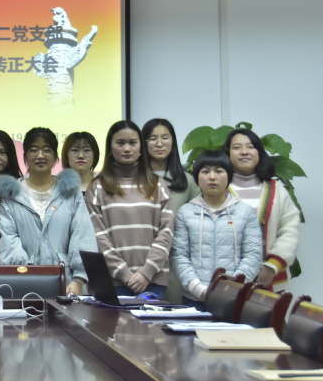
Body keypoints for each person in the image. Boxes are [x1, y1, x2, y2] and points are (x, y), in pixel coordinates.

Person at [0, 127, 97, 295]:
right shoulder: (11, 195)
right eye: (34, 150)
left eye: (46, 150)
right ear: (25, 156)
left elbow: (83, 235)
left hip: (67, 283)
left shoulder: (71, 193)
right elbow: (8, 239)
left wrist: (79, 279)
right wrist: (24, 275)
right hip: (23, 283)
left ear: (56, 157)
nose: (40, 155)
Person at [86, 120, 173, 298]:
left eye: (133, 143)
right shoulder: (97, 187)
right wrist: (125, 274)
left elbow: (166, 232)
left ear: (141, 148)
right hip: (112, 281)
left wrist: (146, 272)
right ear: (110, 148)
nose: (127, 148)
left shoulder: (158, 184)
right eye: (120, 143)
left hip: (153, 280)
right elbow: (98, 237)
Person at [171, 150, 263, 309]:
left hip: (234, 298)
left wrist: (232, 288)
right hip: (194, 297)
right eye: (205, 171)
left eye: (219, 171)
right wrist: (198, 289)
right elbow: (178, 255)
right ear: (197, 177)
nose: (212, 177)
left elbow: (253, 255)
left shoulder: (245, 212)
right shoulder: (185, 212)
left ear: (229, 176)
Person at [223, 128, 300, 291]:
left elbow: (290, 230)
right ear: (227, 154)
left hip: (271, 280)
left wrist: (272, 266)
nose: (244, 152)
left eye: (250, 147)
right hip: (228, 281)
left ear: (259, 153)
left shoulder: (277, 189)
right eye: (236, 147)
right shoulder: (218, 191)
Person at [141, 118, 200, 303]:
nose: (159, 144)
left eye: (165, 138)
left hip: (176, 262)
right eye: (152, 138)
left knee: (175, 314)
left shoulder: (188, 181)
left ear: (173, 141)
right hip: (141, 261)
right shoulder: (133, 180)